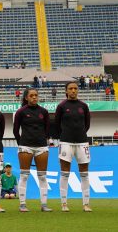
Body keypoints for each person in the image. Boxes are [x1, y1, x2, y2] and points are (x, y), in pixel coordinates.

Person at [13, 88, 52, 212]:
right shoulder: (20, 112)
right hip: (25, 146)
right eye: (31, 95)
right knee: (24, 176)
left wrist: (42, 140)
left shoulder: (44, 112)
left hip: (42, 147)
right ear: (26, 98)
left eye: (36, 95)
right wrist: (22, 144)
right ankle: (22, 204)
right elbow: (15, 130)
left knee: (42, 177)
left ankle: (44, 205)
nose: (34, 97)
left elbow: (47, 129)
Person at [55, 81, 92, 212]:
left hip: (82, 142)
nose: (73, 90)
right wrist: (66, 135)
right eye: (70, 88)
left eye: (75, 88)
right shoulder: (61, 106)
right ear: (66, 91)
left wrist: (79, 134)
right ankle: (64, 204)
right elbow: (57, 124)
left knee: (84, 174)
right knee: (65, 173)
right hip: (66, 142)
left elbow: (87, 125)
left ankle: (86, 204)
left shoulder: (84, 106)